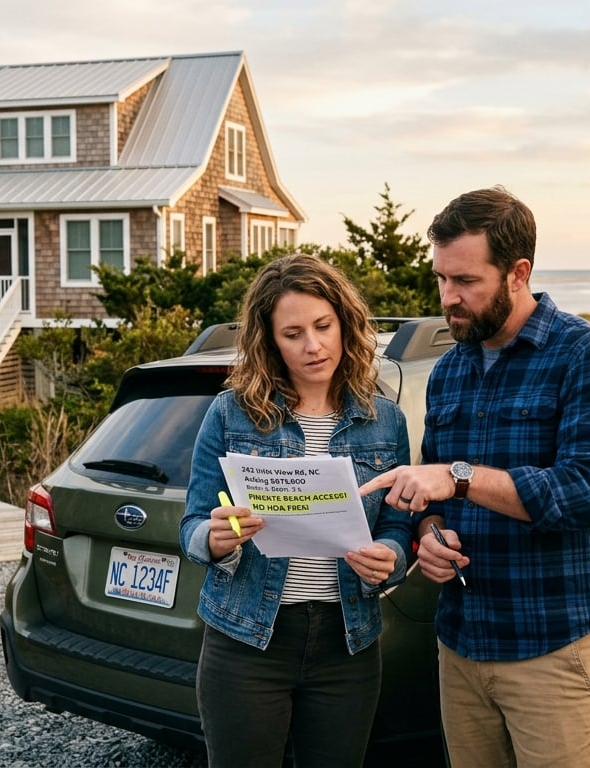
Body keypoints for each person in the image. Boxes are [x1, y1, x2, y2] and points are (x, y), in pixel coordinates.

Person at [359, 187, 590, 768]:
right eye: (441, 278)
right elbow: (433, 497)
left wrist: (459, 478)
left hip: (555, 650)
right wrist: (431, 536)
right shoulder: (450, 370)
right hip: (461, 645)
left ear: (518, 273)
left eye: (466, 281)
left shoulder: (588, 355)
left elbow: (586, 493)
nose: (448, 298)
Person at [179, 253, 413, 767]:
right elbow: (193, 523)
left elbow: (398, 527)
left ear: (345, 323)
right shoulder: (231, 413)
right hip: (245, 640)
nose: (312, 346)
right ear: (270, 341)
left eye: (323, 326)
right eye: (292, 334)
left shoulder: (386, 421)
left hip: (347, 644)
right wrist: (215, 540)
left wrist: (390, 557)